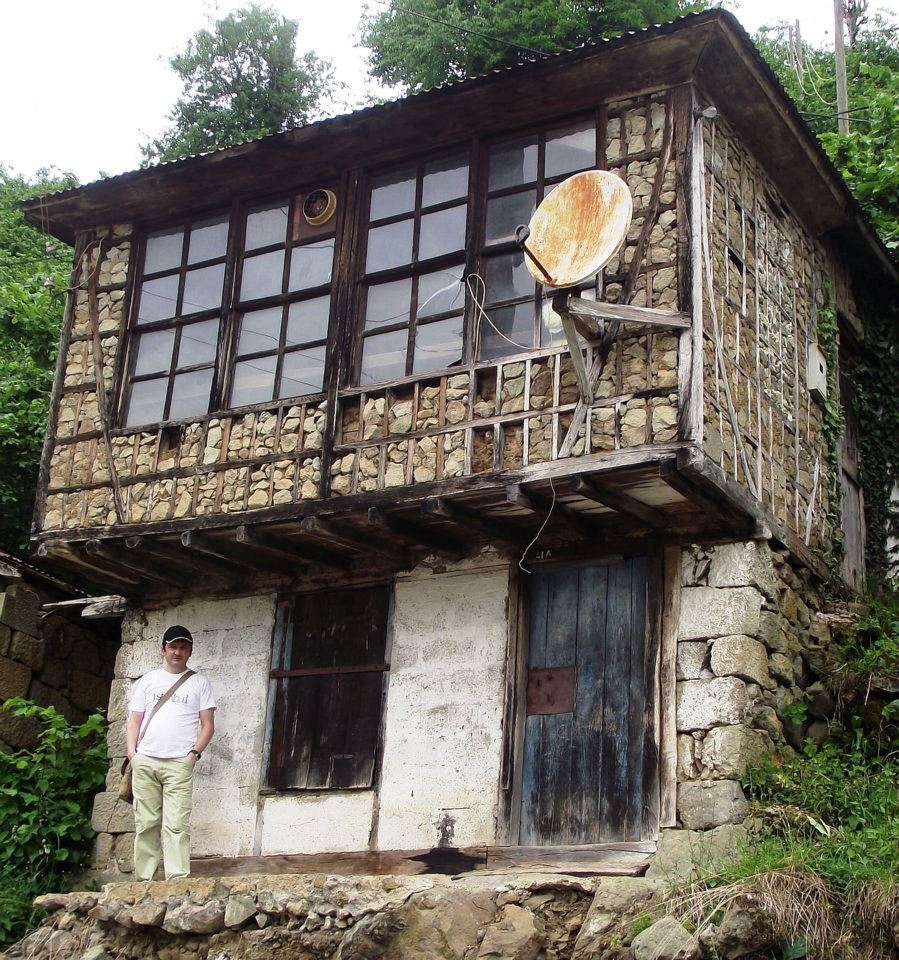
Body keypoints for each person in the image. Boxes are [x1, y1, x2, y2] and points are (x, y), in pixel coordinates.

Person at [126, 625, 216, 881]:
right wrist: (133, 754)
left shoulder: (199, 682)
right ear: (163, 649)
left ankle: (176, 879)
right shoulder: (149, 680)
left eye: (183, 647)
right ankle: (145, 879)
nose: (178, 652)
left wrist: (193, 756)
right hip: (146, 759)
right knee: (146, 822)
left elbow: (208, 725)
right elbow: (134, 719)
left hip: (179, 762)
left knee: (176, 824)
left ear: (190, 652)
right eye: (173, 646)